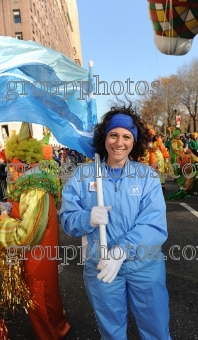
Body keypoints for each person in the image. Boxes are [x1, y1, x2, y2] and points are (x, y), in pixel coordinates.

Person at [60, 104, 171, 340]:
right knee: (112, 333)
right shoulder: (83, 176)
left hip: (145, 266)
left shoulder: (147, 177)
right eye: (113, 134)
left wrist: (122, 251)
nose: (119, 142)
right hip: (101, 266)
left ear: (134, 142)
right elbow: (68, 219)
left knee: (156, 330)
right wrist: (86, 218)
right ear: (105, 137)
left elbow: (154, 225)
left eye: (126, 137)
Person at [0, 123, 70, 339]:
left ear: (26, 163)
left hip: (37, 259)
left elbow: (27, 234)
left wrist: (2, 221)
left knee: (41, 302)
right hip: (36, 257)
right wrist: (10, 208)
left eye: (14, 165)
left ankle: (54, 333)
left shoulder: (35, 188)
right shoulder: (29, 182)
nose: (10, 170)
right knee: (45, 298)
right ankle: (58, 327)